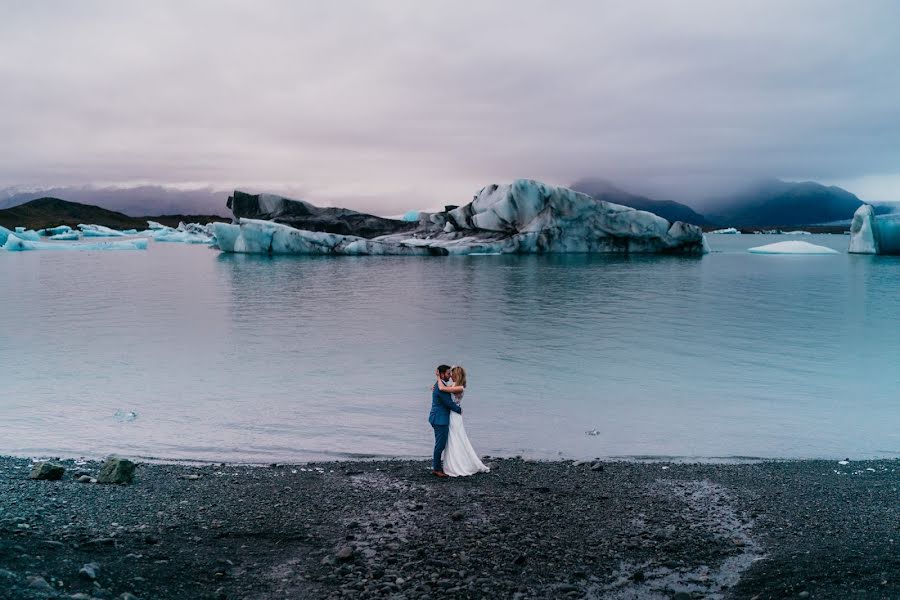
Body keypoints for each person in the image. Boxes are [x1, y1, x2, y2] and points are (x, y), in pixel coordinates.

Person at [435, 365, 490, 477]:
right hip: (452, 414)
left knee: (456, 438)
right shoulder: (454, 385)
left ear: (457, 375)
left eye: (452, 374)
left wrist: (437, 377)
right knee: (452, 440)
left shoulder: (460, 387)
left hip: (455, 415)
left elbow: (442, 388)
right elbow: (443, 388)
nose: (450, 376)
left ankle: (459, 464)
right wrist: (435, 386)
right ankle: (451, 463)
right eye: (449, 374)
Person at [428, 364, 462, 478]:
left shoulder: (440, 384)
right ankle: (437, 469)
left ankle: (437, 467)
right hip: (439, 419)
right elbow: (448, 403)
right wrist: (459, 410)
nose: (450, 375)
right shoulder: (440, 386)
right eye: (448, 373)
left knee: (439, 444)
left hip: (437, 417)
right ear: (442, 374)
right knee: (440, 445)